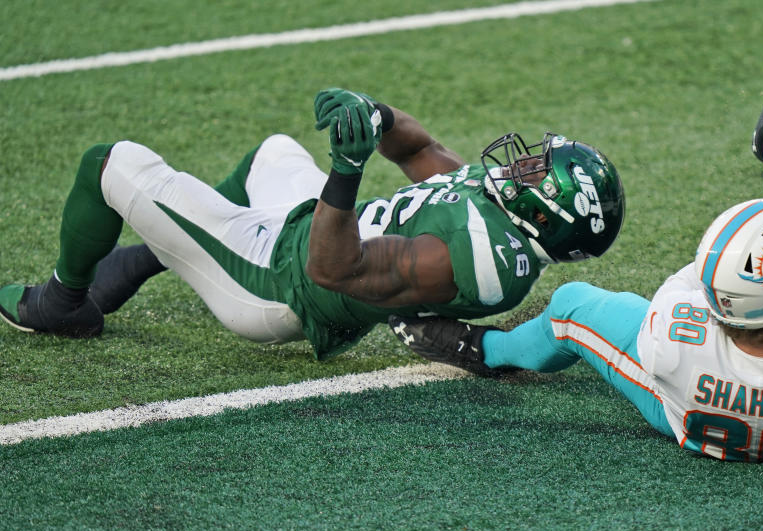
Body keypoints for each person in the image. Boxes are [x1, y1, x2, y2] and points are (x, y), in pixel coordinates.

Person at [388, 32, 763, 462]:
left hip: (683, 416)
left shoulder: (676, 336)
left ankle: (488, 352)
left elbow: (701, 279)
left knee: (570, 308)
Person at [0, 90, 626, 360]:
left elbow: (332, 268)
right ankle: (152, 255)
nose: (521, 162)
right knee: (274, 152)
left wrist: (348, 169)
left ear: (547, 209)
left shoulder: (482, 260)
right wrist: (373, 115)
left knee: (110, 163)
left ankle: (62, 303)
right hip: (306, 234)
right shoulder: (500, 209)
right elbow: (417, 150)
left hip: (280, 282)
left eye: (538, 169)